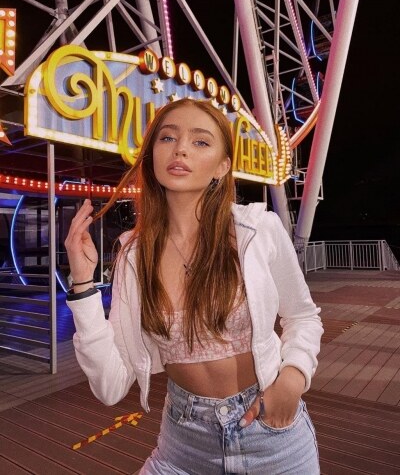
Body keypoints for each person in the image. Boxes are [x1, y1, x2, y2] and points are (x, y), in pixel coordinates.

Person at [65, 98, 323, 474]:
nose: (181, 149)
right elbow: (110, 385)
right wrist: (83, 283)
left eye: (200, 141)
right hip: (183, 443)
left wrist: (293, 379)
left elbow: (302, 316)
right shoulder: (134, 256)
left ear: (222, 166)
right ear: (152, 155)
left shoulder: (257, 231)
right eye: (168, 138)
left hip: (269, 435)